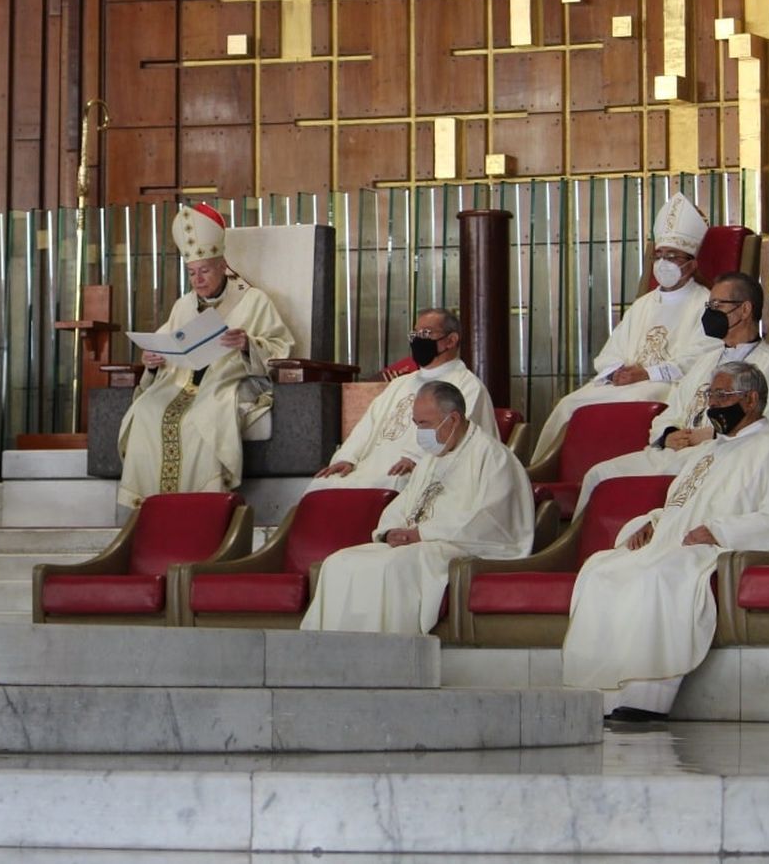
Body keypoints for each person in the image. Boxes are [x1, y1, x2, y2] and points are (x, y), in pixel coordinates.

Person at [562, 362, 769, 720]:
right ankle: (597, 696)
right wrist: (650, 522)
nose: (713, 404)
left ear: (752, 399)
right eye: (711, 395)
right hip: (671, 542)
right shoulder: (709, 451)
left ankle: (646, 697)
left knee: (659, 577)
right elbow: (679, 507)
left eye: (722, 395)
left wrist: (721, 531)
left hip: (713, 551)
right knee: (601, 569)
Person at [300, 381, 533, 634]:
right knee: (339, 562)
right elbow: (404, 503)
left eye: (424, 424)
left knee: (391, 568)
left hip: (460, 547)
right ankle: (331, 658)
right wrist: (390, 531)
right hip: (418, 544)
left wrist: (422, 534)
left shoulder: (492, 457)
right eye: (416, 423)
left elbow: (490, 520)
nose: (419, 433)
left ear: (453, 419)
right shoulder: (432, 460)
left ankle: (387, 657)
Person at [570, 272, 769, 516]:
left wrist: (708, 436)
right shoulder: (706, 362)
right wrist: (669, 435)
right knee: (597, 475)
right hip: (675, 455)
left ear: (745, 310)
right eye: (708, 306)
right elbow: (671, 412)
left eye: (717, 305)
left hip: (722, 463)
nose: (709, 313)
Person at [115, 204, 293, 507]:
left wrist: (248, 344)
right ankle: (154, 505)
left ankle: (204, 502)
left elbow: (281, 346)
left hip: (226, 382)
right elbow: (164, 344)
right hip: (179, 382)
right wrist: (152, 363)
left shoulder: (253, 300)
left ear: (223, 265)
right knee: (146, 410)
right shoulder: (183, 306)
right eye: (192, 273)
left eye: (205, 271)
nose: (197, 280)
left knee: (203, 415)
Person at [531, 193, 718, 461]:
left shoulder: (705, 302)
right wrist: (616, 371)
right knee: (568, 404)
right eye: (659, 255)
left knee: (641, 398)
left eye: (673, 256)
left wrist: (647, 373)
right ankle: (549, 469)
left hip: (664, 385)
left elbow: (701, 357)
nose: (663, 263)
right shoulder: (644, 304)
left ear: (691, 264)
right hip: (627, 382)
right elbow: (610, 352)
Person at [306, 308, 495, 493]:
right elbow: (367, 426)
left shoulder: (467, 385)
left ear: (451, 340)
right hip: (370, 468)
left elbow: (456, 434)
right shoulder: (399, 384)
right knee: (322, 485)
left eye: (426, 333)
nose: (418, 340)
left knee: (396, 484)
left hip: (416, 470)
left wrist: (415, 458)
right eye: (415, 334)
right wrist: (347, 458)